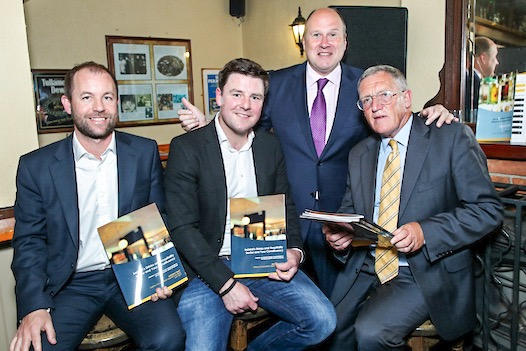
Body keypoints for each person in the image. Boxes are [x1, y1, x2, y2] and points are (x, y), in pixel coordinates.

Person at [177, 7, 456, 296]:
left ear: (345, 43)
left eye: (333, 35)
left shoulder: (366, 86)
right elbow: (245, 123)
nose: (325, 43)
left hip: (342, 226)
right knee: (292, 308)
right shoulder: (277, 84)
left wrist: (431, 112)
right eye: (316, 35)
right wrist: (209, 125)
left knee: (336, 315)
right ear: (304, 42)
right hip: (286, 224)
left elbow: (395, 117)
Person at [323, 65, 503, 350]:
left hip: (424, 269)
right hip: (366, 265)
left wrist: (426, 231)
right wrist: (340, 235)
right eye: (366, 100)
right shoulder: (360, 153)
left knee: (371, 333)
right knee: (326, 327)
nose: (375, 106)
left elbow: (487, 210)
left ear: (406, 98)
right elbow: (350, 214)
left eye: (384, 94)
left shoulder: (449, 137)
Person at [163, 58, 336, 351]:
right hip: (206, 267)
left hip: (261, 259)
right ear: (218, 96)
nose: (246, 104)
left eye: (255, 97)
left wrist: (294, 251)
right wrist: (226, 285)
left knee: (322, 321)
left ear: (263, 103)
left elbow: (286, 205)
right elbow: (182, 229)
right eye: (236, 94)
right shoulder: (187, 148)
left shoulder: (270, 146)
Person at [10, 62, 185, 351]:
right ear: (67, 104)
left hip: (131, 275)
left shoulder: (143, 152)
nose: (99, 107)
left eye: (107, 97)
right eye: (86, 97)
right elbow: (29, 241)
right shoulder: (36, 167)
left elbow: (159, 218)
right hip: (70, 284)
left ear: (117, 102)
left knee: (169, 337)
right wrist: (34, 306)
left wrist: (162, 274)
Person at [465, 36, 499, 119]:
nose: (497, 62)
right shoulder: (475, 85)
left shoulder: (468, 80)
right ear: (483, 58)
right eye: (494, 57)